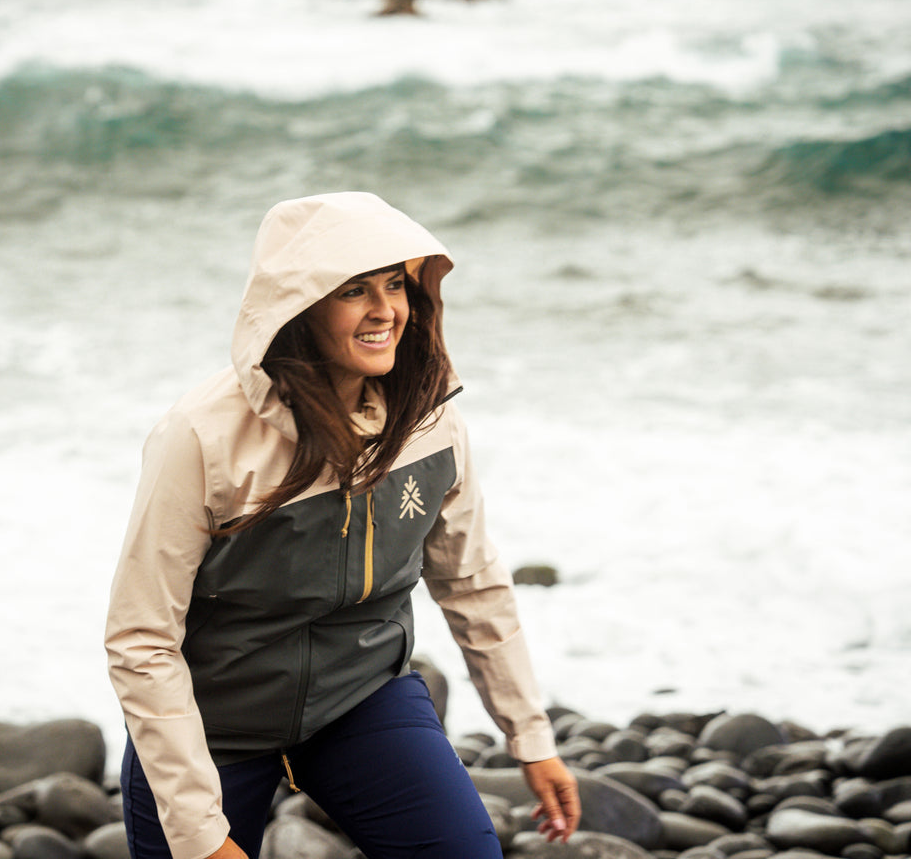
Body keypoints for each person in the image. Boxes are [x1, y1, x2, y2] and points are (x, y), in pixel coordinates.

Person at [104, 192, 580, 859]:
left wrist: (530, 739)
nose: (385, 310)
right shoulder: (201, 437)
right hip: (214, 723)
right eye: (354, 290)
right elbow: (140, 636)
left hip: (361, 699)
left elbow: (471, 581)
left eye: (395, 285)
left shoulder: (429, 421)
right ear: (299, 307)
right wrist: (198, 833)